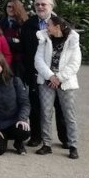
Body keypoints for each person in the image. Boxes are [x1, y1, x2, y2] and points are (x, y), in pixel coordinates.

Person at [21, 0, 68, 149]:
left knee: (61, 106)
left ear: (51, 6)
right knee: (36, 107)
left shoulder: (62, 24)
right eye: (37, 4)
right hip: (36, 72)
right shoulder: (28, 25)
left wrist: (61, 74)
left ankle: (65, 138)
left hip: (58, 73)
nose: (40, 7)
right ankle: (37, 136)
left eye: (44, 4)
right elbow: (26, 51)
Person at [34, 15, 81, 159]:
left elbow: (75, 63)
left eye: (48, 25)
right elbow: (38, 60)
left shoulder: (72, 40)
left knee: (69, 114)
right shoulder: (43, 39)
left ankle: (73, 145)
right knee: (46, 113)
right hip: (47, 81)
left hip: (66, 82)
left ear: (57, 27)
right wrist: (51, 76)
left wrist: (59, 78)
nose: (46, 27)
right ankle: (46, 144)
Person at [0, 52, 31, 155]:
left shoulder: (15, 81)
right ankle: (1, 138)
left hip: (15, 121)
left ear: (3, 65)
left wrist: (22, 118)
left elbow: (25, 103)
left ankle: (18, 143)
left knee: (24, 130)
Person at [0, 0, 27, 68]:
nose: (11, 9)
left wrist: (9, 40)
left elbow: (25, 44)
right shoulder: (0, 23)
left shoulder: (25, 24)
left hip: (19, 62)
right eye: (9, 7)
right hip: (2, 60)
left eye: (13, 7)